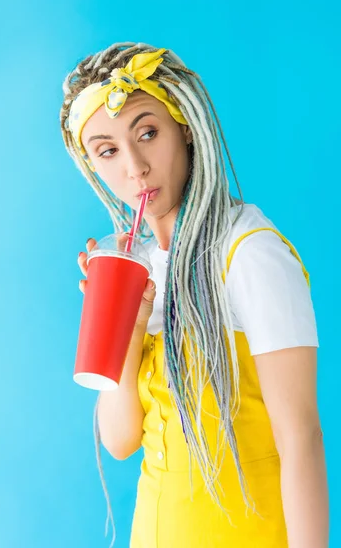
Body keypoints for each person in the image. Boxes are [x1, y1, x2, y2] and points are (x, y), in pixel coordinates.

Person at [60, 43, 329, 547]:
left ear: (185, 127)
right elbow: (120, 442)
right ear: (93, 164)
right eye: (108, 150)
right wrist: (126, 322)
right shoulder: (133, 266)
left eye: (147, 132)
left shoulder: (249, 252)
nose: (134, 167)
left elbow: (302, 440)